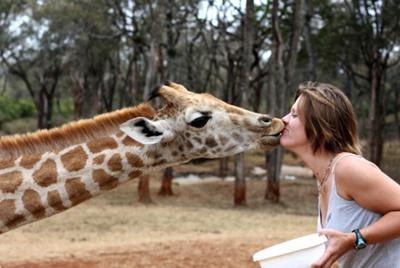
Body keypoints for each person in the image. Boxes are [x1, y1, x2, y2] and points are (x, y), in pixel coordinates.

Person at [280, 82, 400, 268]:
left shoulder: (348, 168)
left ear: (319, 124)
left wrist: (355, 238)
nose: (284, 119)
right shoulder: (324, 178)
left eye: (294, 115)